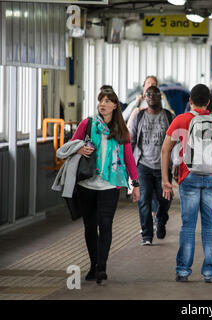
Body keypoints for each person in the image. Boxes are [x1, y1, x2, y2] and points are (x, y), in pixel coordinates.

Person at [161, 84, 212, 283]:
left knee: (188, 225)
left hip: (189, 177)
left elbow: (165, 150)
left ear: (190, 101)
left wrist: (165, 180)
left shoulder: (181, 119)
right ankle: (209, 273)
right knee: (210, 226)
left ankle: (183, 271)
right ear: (209, 102)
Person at [71, 87, 140, 283]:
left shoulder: (121, 129)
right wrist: (79, 149)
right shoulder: (88, 124)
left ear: (115, 105)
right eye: (101, 100)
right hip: (87, 183)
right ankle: (93, 264)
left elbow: (128, 158)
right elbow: (72, 144)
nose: (103, 104)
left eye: (108, 101)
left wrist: (135, 184)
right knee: (90, 226)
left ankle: (102, 266)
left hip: (111, 184)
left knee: (106, 224)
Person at [129, 86, 174, 246]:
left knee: (165, 200)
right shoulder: (139, 116)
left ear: (160, 96)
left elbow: (176, 142)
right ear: (144, 97)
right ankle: (147, 235)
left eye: (155, 94)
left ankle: (161, 220)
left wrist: (175, 165)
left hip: (163, 166)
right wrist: (130, 167)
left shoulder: (168, 116)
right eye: (148, 94)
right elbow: (132, 140)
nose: (152, 97)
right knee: (144, 199)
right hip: (143, 165)